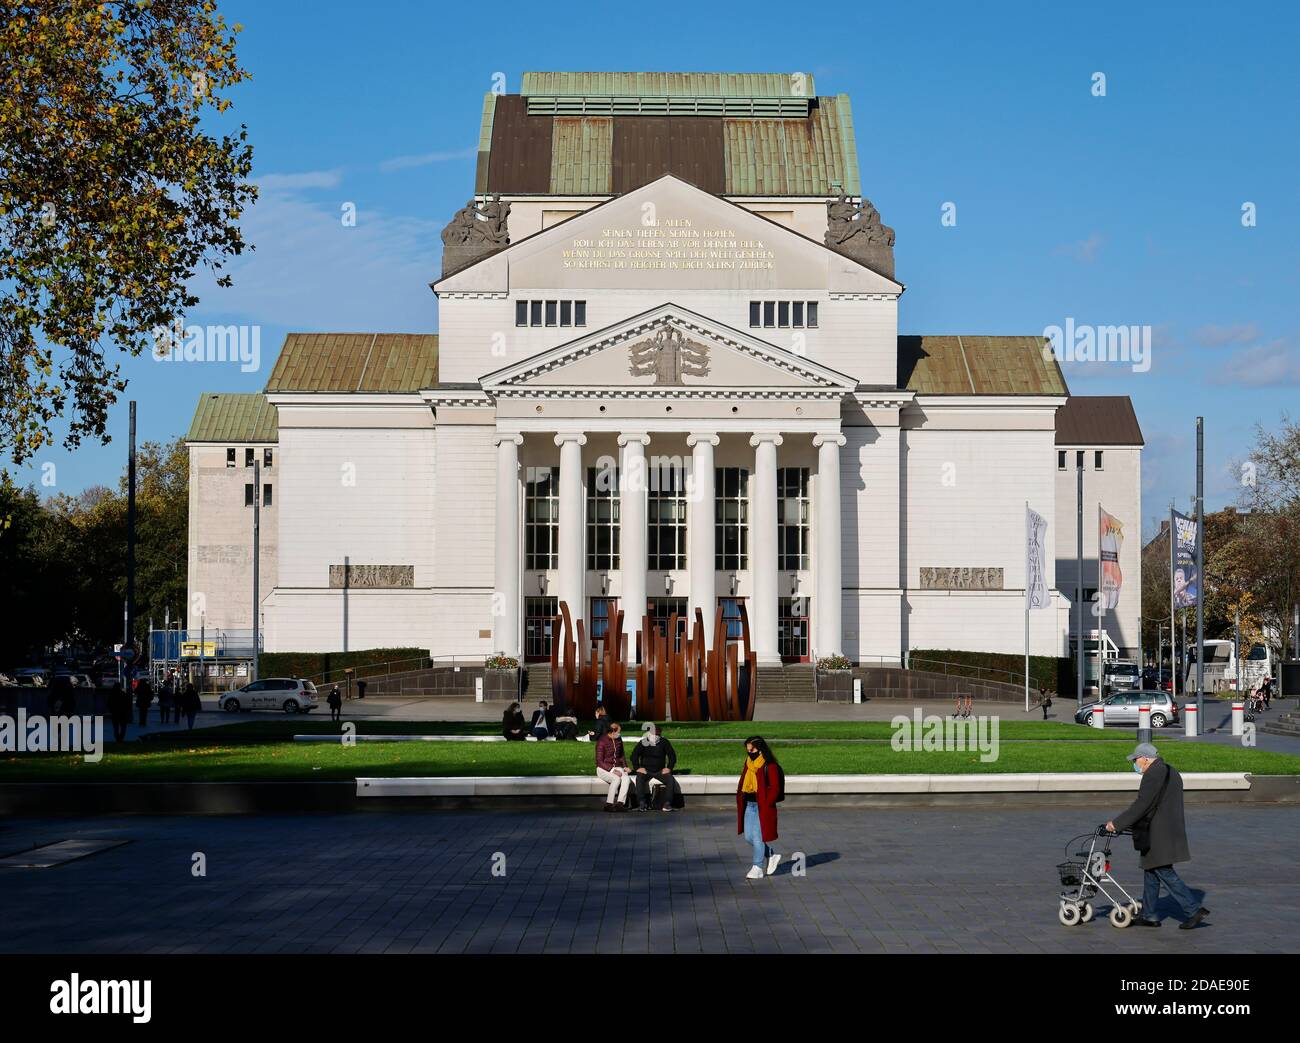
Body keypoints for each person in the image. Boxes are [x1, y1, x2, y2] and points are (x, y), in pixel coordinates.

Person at [1106, 742, 1208, 930]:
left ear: (1145, 759)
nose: (1136, 764)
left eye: (1136, 760)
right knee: (1151, 870)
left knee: (1163, 871)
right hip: (1169, 829)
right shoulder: (1170, 771)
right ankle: (1149, 915)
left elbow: (1142, 805)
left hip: (1158, 833)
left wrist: (1116, 823)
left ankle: (1193, 910)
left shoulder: (1153, 774)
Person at [736, 736, 782, 880]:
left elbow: (775, 788)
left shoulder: (770, 765)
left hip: (762, 806)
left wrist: (767, 803)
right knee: (749, 837)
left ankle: (757, 867)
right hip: (749, 804)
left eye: (753, 749)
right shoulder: (748, 763)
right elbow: (743, 780)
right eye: (748, 750)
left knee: (757, 837)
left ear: (760, 749)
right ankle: (771, 854)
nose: (750, 752)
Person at [631, 727, 683, 812]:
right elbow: (634, 756)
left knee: (670, 779)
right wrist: (637, 768)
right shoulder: (643, 742)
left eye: (657, 735)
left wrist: (669, 768)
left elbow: (672, 756)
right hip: (645, 770)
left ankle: (667, 803)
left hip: (660, 770)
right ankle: (642, 803)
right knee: (639, 778)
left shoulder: (664, 742)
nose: (654, 737)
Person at [595, 721, 631, 811]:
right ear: (612, 732)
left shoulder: (618, 739)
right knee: (616, 779)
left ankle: (620, 804)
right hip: (603, 768)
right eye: (618, 731)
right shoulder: (602, 742)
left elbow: (621, 755)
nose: (620, 733)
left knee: (626, 779)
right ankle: (608, 804)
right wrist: (611, 770)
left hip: (617, 767)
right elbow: (599, 761)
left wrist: (625, 766)